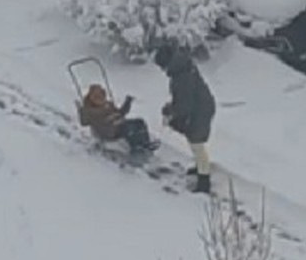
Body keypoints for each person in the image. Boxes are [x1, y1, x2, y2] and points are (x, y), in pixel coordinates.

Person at [154, 44, 216, 194]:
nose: (163, 71)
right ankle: (201, 167)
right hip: (200, 106)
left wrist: (172, 114)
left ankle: (204, 179)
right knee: (194, 139)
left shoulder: (181, 77)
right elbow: (182, 100)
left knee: (196, 142)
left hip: (200, 110)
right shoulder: (182, 68)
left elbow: (184, 105)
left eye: (163, 67)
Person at [77, 84, 155, 158]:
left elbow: (120, 113)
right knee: (128, 128)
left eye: (101, 95)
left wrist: (127, 102)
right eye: (96, 96)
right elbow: (84, 122)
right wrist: (81, 111)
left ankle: (145, 144)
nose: (100, 98)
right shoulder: (89, 109)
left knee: (139, 122)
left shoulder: (108, 104)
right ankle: (136, 149)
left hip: (118, 124)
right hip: (107, 130)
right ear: (91, 98)